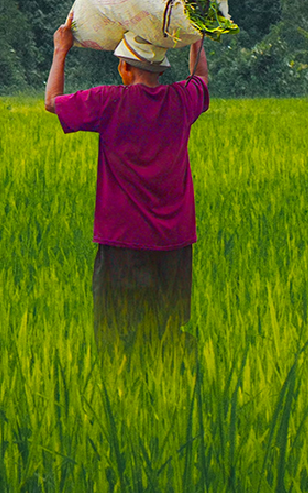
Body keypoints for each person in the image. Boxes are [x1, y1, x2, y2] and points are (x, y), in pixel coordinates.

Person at [41, 17, 210, 346]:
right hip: (175, 242)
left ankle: (124, 394)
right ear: (160, 70)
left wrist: (60, 50)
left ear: (125, 69)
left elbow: (52, 103)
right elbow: (200, 77)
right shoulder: (182, 100)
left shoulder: (108, 102)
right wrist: (195, 35)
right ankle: (172, 392)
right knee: (169, 334)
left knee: (118, 336)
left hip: (122, 242)